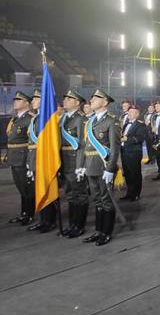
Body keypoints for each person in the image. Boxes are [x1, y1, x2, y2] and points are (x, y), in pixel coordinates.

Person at [81, 89, 121, 246]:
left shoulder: (112, 121)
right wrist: (83, 165)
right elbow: (86, 146)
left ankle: (106, 232)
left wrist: (110, 169)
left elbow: (115, 148)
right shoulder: (90, 121)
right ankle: (98, 231)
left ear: (105, 102)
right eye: (92, 98)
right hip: (90, 165)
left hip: (103, 166)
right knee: (97, 199)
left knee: (106, 200)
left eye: (96, 98)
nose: (92, 100)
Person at [26, 89, 57, 233]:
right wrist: (29, 161)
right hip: (34, 158)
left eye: (35, 99)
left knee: (47, 188)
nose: (32, 101)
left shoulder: (47, 119)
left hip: (45, 159)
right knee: (39, 189)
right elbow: (31, 142)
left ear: (43, 101)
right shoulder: (35, 118)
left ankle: (50, 221)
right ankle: (42, 219)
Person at [59, 89, 89, 238]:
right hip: (64, 161)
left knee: (80, 195)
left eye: (69, 99)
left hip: (76, 162)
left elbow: (83, 144)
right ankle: (72, 225)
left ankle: (79, 225)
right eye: (65, 99)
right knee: (70, 195)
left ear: (77, 103)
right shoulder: (63, 118)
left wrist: (81, 165)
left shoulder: (81, 119)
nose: (65, 101)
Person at [7, 91, 34, 226]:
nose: (15, 102)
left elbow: (31, 142)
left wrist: (30, 161)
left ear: (26, 104)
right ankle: (24, 213)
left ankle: (29, 214)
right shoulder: (15, 119)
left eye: (19, 100)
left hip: (23, 157)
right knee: (21, 187)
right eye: (15, 100)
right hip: (14, 156)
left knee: (27, 187)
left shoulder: (29, 119)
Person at [119, 104, 147, 202]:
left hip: (134, 152)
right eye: (129, 112)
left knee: (135, 174)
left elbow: (140, 138)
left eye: (132, 112)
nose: (129, 114)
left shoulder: (141, 125)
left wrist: (128, 139)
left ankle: (136, 194)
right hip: (124, 151)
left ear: (137, 114)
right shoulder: (126, 124)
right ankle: (129, 193)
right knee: (127, 173)